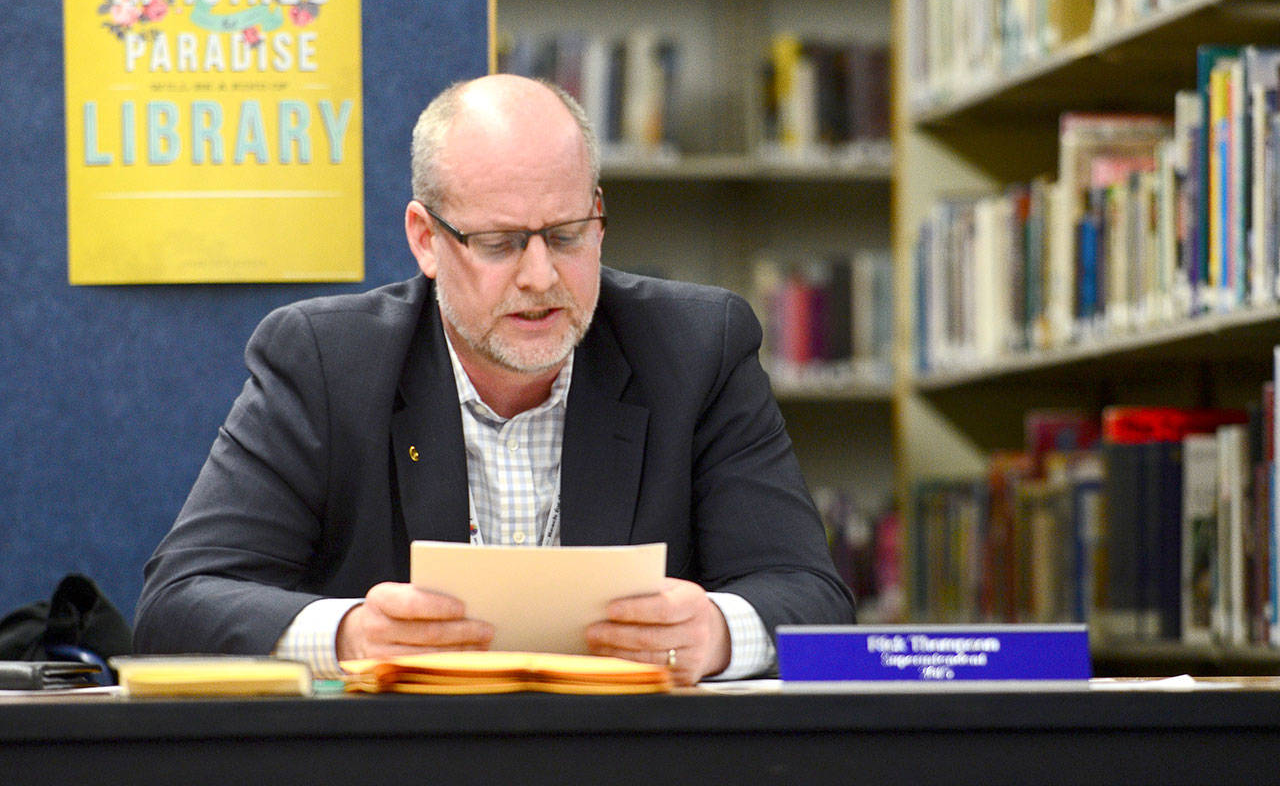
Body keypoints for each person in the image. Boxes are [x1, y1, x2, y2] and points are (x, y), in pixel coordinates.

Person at [133, 74, 855, 685]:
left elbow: (812, 596)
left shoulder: (697, 349)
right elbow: (175, 606)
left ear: (600, 222)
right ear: (425, 239)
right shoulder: (325, 362)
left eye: (567, 236)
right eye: (500, 243)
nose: (540, 277)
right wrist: (350, 634)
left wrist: (718, 633)